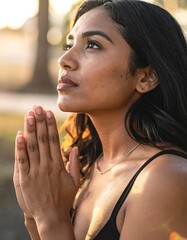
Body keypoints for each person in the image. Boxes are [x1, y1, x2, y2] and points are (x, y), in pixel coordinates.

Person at [13, 0, 187, 239]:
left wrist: (51, 219)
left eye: (92, 45)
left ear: (146, 77)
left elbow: (53, 227)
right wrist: (35, 213)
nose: (64, 59)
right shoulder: (89, 166)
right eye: (69, 44)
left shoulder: (165, 179)